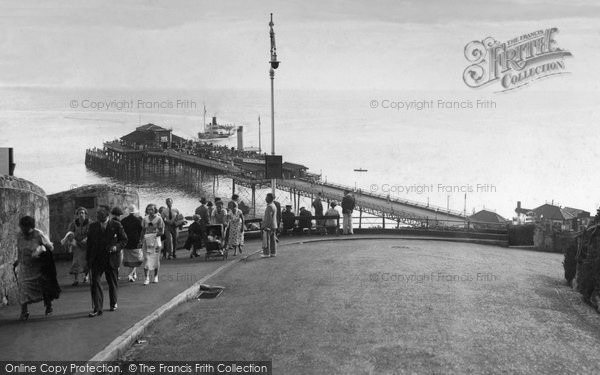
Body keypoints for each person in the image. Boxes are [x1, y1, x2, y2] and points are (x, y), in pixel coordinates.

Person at [14, 216, 60, 320]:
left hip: (39, 266)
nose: (25, 231)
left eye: (27, 229)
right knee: (23, 287)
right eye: (23, 228)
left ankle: (48, 305)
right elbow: (19, 250)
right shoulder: (19, 236)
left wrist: (40, 249)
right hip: (25, 267)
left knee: (43, 286)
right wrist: (18, 260)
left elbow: (50, 247)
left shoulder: (38, 234)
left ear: (32, 227)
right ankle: (24, 311)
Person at [87, 205, 128, 317]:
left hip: (111, 259)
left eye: (100, 213)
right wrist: (88, 261)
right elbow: (89, 245)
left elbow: (124, 240)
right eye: (97, 213)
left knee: (112, 283)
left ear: (107, 214)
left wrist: (116, 247)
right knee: (95, 282)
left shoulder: (116, 225)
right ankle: (97, 308)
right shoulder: (93, 226)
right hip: (97, 260)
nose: (97, 215)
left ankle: (113, 303)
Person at [62, 207, 90, 286]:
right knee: (76, 261)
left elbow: (91, 232)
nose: (81, 214)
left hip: (86, 244)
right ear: (77, 215)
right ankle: (76, 279)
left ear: (85, 214)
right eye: (79, 213)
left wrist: (86, 239)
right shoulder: (74, 223)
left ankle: (86, 276)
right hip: (77, 244)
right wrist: (71, 237)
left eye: (82, 213)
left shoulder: (89, 223)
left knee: (87, 261)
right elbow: (70, 232)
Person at [141, 204, 164, 285]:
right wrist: (141, 240)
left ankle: (155, 276)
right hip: (146, 241)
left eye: (152, 209)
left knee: (155, 259)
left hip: (156, 241)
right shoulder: (144, 219)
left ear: (155, 210)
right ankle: (146, 277)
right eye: (149, 209)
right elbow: (143, 230)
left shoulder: (159, 219)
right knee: (146, 258)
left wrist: (153, 235)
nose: (150, 211)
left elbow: (162, 232)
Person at [121, 204, 143, 282]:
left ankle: (133, 274)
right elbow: (141, 231)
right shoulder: (138, 220)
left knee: (130, 259)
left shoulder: (123, 220)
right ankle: (130, 274)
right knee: (136, 259)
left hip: (127, 241)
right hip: (135, 241)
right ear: (135, 212)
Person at [261, 193, 278, 258]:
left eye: (267, 197)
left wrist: (265, 226)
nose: (265, 199)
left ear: (270, 198)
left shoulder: (269, 206)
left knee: (266, 240)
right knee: (272, 240)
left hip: (269, 226)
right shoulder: (274, 205)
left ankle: (266, 253)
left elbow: (268, 218)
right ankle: (273, 252)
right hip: (274, 225)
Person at [110, 207, 124, 278]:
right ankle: (116, 275)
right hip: (118, 245)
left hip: (111, 244)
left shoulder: (109, 222)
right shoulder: (119, 223)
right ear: (119, 215)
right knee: (118, 262)